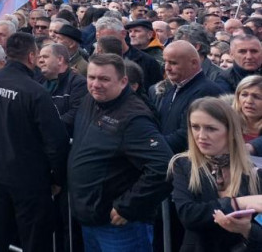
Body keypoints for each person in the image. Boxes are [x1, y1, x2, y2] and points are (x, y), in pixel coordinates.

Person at [0, 32, 70, 252]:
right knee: (34, 240)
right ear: (32, 56)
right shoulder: (35, 92)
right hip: (29, 179)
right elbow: (55, 141)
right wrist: (58, 178)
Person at [68, 53, 172, 251]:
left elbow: (164, 166)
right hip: (90, 217)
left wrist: (128, 206)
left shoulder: (134, 118)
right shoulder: (91, 101)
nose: (95, 84)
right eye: (91, 77)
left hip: (119, 226)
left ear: (123, 81)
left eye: (104, 79)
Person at [170, 97, 262, 251]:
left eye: (211, 128)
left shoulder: (255, 172)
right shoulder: (184, 164)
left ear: (231, 131)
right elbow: (188, 215)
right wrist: (238, 203)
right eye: (195, 127)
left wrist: (246, 230)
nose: (201, 136)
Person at [149, 40, 222, 153]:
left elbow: (187, 134)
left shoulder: (206, 91)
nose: (167, 68)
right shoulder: (173, 88)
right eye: (165, 62)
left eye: (173, 63)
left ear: (193, 63)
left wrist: (153, 146)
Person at [38, 42, 87, 135]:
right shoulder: (38, 82)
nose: (40, 60)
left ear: (60, 59)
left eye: (45, 57)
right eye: (39, 57)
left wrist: (46, 126)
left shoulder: (78, 83)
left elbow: (75, 113)